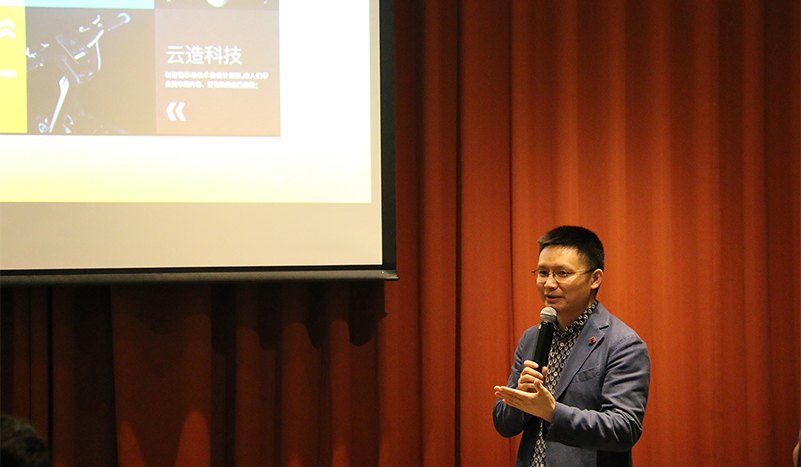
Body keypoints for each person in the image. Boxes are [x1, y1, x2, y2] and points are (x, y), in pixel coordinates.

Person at [493, 226, 650, 467]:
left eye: (562, 273)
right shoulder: (532, 338)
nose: (549, 284)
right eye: (543, 272)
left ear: (595, 279)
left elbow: (624, 428)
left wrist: (552, 413)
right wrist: (519, 401)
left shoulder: (622, 344)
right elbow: (504, 425)